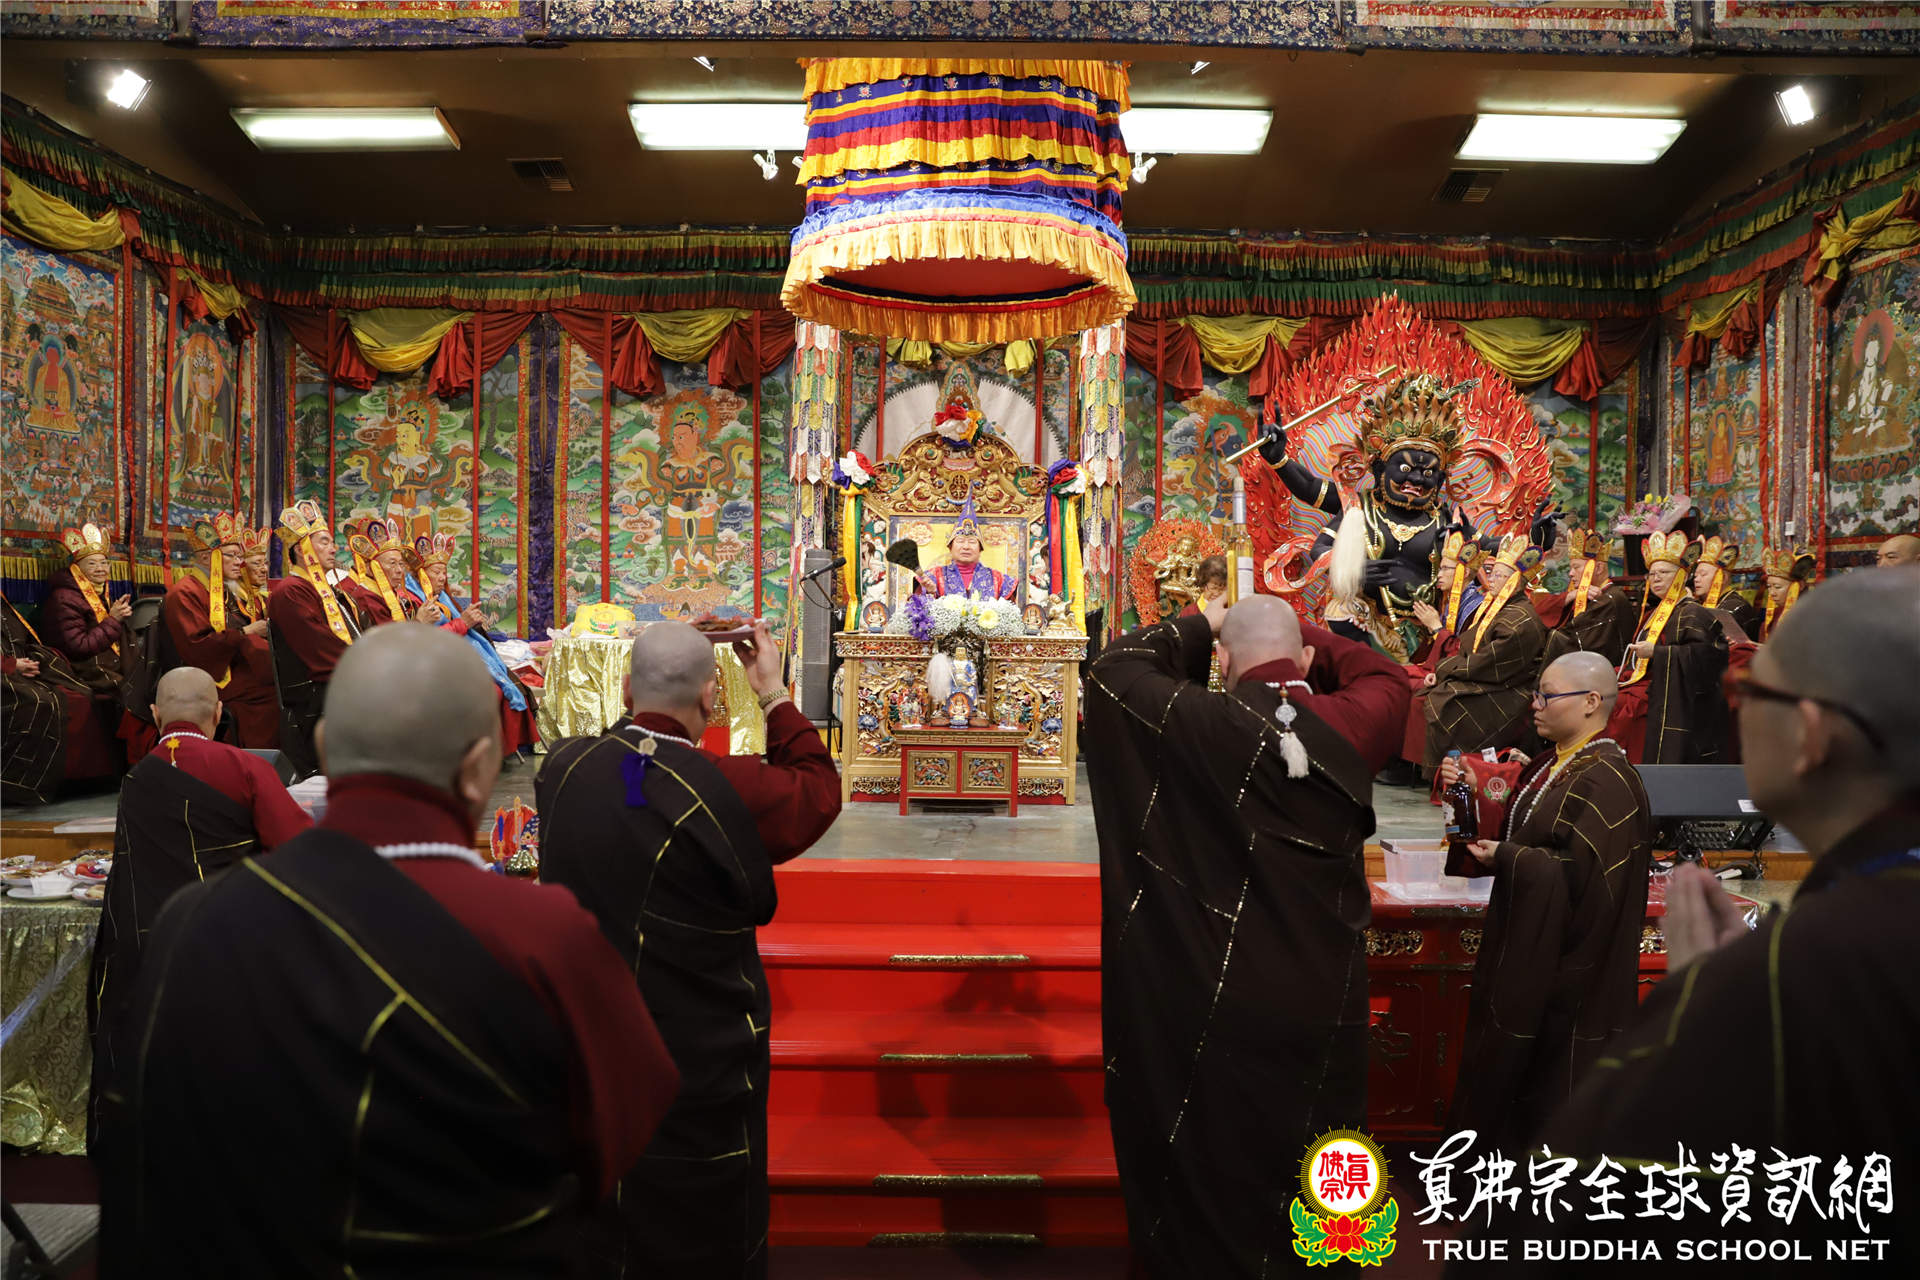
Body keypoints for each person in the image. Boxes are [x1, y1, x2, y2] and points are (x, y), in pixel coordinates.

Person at [96, 624, 680, 1275]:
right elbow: (625, 1131)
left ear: (324, 748)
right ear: (481, 768)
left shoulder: (194, 923)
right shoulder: (543, 937)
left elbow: (149, 1155)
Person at [1471, 568, 1920, 1273]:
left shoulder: (1792, 971)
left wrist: (1702, 997)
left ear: (1809, 735)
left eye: (1745, 692)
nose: (1733, 713)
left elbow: (1607, 1200)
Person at [1083, 592, 1409, 1278]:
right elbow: (1382, 671)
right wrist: (1296, 626)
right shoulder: (1357, 717)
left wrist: (1208, 621)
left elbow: (1114, 669)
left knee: (1212, 1137)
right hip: (1322, 983)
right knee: (1319, 1127)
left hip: (1214, 974)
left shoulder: (1200, 721)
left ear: (1223, 660)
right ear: (1309, 659)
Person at [537, 619, 841, 1278]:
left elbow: (631, 772)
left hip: (592, 1039)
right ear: (711, 696)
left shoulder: (564, 768)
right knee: (701, 1211)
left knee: (605, 1201)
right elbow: (818, 789)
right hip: (697, 1043)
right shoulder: (726, 785)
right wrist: (773, 692)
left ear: (625, 689)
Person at [86, 667, 312, 1151]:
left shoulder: (136, 779)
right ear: (218, 712)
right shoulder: (245, 767)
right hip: (230, 947)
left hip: (149, 953)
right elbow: (300, 853)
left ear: (155, 715)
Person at [1437, 652, 1653, 1151]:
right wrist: (1468, 797)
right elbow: (1513, 836)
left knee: (1549, 1077)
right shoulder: (1554, 765)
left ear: (1591, 702)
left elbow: (1581, 878)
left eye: (1547, 696)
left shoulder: (1608, 781)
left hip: (1571, 969)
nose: (1534, 705)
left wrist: (1509, 857)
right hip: (1528, 947)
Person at [403, 529, 538, 756]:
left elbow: (460, 627)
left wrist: (471, 623)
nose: (442, 578)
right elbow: (427, 640)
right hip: (436, 666)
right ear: (421, 575)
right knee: (493, 691)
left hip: (457, 658)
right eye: (436, 572)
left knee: (510, 685)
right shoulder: (413, 600)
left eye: (444, 572)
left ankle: (498, 752)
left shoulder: (443, 598)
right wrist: (463, 623)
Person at [1422, 536, 1548, 767]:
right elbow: (1468, 647)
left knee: (1440, 702)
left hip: (1507, 689)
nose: (1490, 579)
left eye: (1498, 575)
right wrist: (1443, 670)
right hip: (1487, 676)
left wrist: (1443, 670)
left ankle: (1447, 771)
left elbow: (1488, 662)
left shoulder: (1519, 619)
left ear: (1514, 582)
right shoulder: (1500, 608)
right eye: (1491, 573)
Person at [1607, 530, 1729, 763]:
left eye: (1663, 573)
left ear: (1682, 576)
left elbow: (1707, 658)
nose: (1656, 579)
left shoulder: (1693, 612)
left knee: (1627, 705)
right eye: (1652, 574)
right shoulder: (1654, 613)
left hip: (1672, 694)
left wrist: (1656, 653)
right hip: (1649, 685)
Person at [163, 513, 278, 749]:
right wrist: (245, 632)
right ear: (206, 557)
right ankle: (251, 761)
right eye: (232, 556)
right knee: (268, 695)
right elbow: (198, 647)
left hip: (234, 667)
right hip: (207, 676)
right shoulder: (184, 592)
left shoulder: (225, 590)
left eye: (240, 556)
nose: (239, 563)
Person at [267, 500, 365, 771]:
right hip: (314, 694)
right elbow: (319, 648)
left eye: (332, 542)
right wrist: (365, 664)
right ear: (301, 549)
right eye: (324, 542)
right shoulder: (290, 591)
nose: (334, 548)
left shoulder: (324, 589)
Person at [2, 593, 118, 803]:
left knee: (81, 696)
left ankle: (83, 779)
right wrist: (12, 665)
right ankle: (20, 784)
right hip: (6, 676)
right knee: (40, 702)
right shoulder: (64, 599)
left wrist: (31, 660)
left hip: (21, 670)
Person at [1401, 531, 1486, 770]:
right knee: (1395, 676)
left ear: (1464, 572)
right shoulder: (1451, 599)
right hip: (1441, 666)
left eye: (1445, 569)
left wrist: (1436, 627)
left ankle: (1412, 765)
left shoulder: (1477, 606)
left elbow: (1464, 652)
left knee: (1417, 697)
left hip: (1462, 673)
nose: (1438, 575)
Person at [41, 521, 129, 694]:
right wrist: (113, 620)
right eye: (92, 564)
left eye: (104, 563)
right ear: (77, 568)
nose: (100, 569)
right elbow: (79, 647)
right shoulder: (64, 598)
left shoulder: (101, 592)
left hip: (103, 660)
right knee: (131, 689)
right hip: (80, 668)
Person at [1539, 527, 1635, 670]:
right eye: (1571, 568)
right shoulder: (1583, 594)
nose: (1571, 573)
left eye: (1576, 567)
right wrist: (1571, 595)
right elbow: (1540, 613)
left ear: (1599, 568)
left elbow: (1578, 642)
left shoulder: (1609, 599)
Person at [920, 492, 1018, 600]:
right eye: (960, 541)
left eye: (972, 541)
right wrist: (930, 592)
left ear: (980, 549)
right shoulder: (933, 577)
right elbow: (916, 607)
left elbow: (1011, 609)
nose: (966, 546)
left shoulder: (999, 580)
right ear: (950, 547)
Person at [1692, 533, 1763, 641]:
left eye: (1703, 574)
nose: (1696, 579)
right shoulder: (1699, 603)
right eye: (1696, 575)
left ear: (1723, 578)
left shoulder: (1737, 607)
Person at [1757, 545, 1816, 642]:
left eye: (1777, 587)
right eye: (1769, 586)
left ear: (1800, 585)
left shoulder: (1814, 617)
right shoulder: (1772, 618)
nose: (1772, 593)